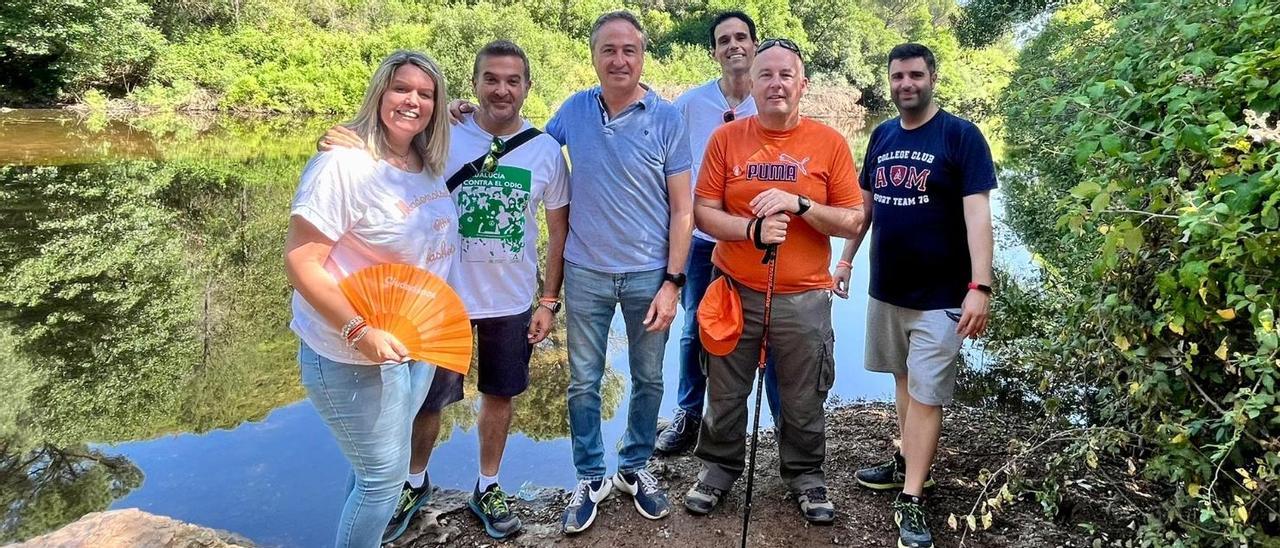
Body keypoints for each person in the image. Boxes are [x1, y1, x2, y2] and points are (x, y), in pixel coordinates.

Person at [319, 41, 570, 542]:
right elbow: (387, 154)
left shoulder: (545, 151)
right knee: (425, 402)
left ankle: (488, 485)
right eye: (491, 79)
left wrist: (548, 301)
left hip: (511, 301)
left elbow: (558, 231)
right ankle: (413, 483)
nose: (502, 89)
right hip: (438, 301)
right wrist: (345, 141)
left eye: (512, 80)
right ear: (474, 84)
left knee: (500, 394)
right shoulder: (444, 136)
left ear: (527, 87)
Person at [686, 38, 864, 524]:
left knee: (804, 394)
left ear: (802, 84)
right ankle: (719, 469)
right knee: (724, 389)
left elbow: (852, 220)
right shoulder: (726, 139)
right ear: (752, 84)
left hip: (805, 295)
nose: (776, 83)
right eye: (766, 75)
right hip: (734, 289)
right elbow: (703, 212)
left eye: (786, 75)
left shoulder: (829, 143)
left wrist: (800, 203)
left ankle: (806, 477)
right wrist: (751, 229)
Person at [283, 50, 455, 548]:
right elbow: (300, 261)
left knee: (374, 468)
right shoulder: (342, 165)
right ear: (379, 91)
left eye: (426, 94)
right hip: (351, 352)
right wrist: (359, 332)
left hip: (412, 343)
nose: (413, 101)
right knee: (383, 480)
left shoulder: (424, 158)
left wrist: (456, 107)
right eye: (402, 88)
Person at [833, 43, 996, 548]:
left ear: (933, 77)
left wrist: (980, 287)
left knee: (927, 393)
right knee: (904, 380)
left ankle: (912, 498)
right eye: (898, 76)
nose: (907, 84)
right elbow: (866, 211)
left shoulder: (961, 136)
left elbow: (978, 218)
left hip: (942, 295)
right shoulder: (880, 135)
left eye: (916, 75)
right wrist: (845, 258)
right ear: (889, 81)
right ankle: (906, 458)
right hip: (888, 289)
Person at [548, 10, 692, 535]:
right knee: (582, 381)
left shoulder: (668, 119)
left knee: (649, 377)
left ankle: (634, 467)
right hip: (583, 271)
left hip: (649, 274)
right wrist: (467, 119)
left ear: (642, 56)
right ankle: (590, 476)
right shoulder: (572, 112)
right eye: (608, 49)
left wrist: (673, 282)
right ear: (593, 56)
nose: (619, 59)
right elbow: (528, 153)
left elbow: (683, 210)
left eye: (629, 49)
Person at [657, 10, 781, 455]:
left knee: (768, 329)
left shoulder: (771, 101)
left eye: (742, 37)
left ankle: (782, 425)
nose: (734, 46)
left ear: (754, 44)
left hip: (758, 242)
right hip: (700, 239)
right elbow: (660, 154)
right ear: (713, 51)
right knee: (695, 328)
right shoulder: (690, 105)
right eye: (724, 39)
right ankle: (689, 415)